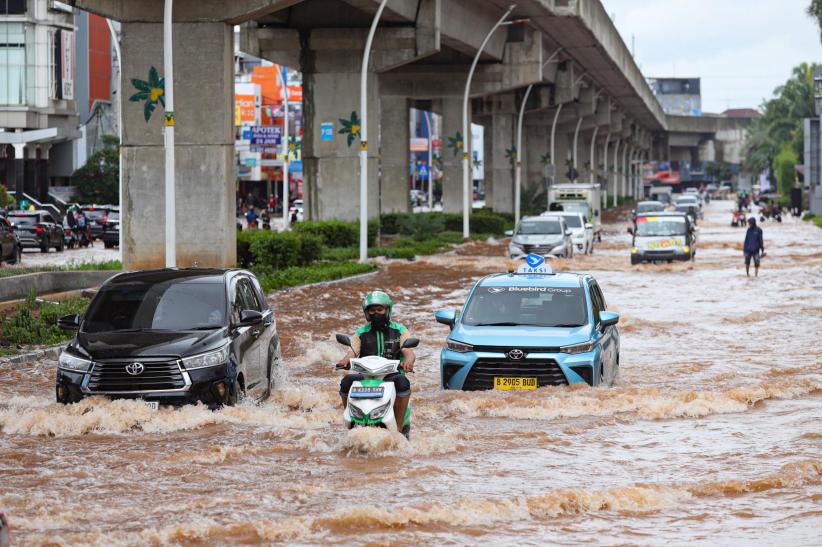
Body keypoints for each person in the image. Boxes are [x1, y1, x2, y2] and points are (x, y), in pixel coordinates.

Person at [336, 291, 416, 429]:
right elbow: (352, 351)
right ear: (367, 313)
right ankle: (349, 422)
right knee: (346, 381)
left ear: (387, 310)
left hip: (391, 375)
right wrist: (344, 361)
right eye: (372, 310)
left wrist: (408, 362)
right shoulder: (361, 332)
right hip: (366, 375)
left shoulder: (399, 329)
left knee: (403, 383)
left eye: (380, 309)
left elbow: (409, 352)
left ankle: (398, 426)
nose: (376, 313)